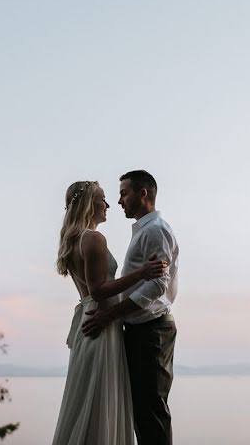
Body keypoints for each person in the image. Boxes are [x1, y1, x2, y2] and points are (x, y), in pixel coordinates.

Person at [52, 180, 168, 445]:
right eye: (102, 199)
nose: (108, 205)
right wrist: (142, 273)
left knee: (87, 397)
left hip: (90, 320)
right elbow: (99, 290)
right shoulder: (92, 238)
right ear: (88, 205)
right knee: (101, 397)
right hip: (101, 322)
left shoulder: (73, 240)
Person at [82, 170, 179, 445]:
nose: (120, 200)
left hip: (153, 331)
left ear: (143, 193)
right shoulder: (144, 231)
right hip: (139, 330)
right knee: (141, 410)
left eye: (124, 193)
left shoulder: (156, 231)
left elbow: (157, 285)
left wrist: (110, 314)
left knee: (151, 410)